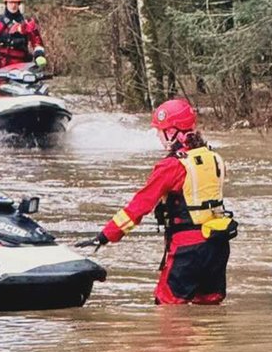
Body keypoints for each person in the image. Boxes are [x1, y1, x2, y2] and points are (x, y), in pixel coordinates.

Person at [74, 97, 236, 305]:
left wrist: (106, 235)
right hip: (217, 246)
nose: (159, 137)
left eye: (160, 131)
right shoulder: (214, 158)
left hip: (187, 250)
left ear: (173, 132)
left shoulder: (172, 166)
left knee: (167, 310)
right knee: (209, 310)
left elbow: (139, 207)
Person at [0, 0, 47, 77]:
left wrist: (39, 56)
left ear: (19, 4)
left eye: (15, 3)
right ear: (6, 4)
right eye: (10, 3)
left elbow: (36, 41)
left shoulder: (27, 23)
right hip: (2, 65)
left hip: (23, 64)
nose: (13, 6)